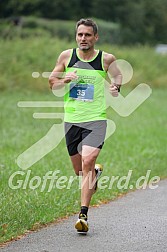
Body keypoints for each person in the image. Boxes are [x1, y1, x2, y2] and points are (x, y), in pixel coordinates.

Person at [49, 18, 122, 234]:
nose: (83, 38)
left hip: (96, 119)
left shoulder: (106, 59)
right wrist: (64, 79)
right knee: (81, 171)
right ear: (76, 36)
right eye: (80, 35)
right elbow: (52, 81)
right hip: (72, 120)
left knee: (88, 160)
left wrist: (116, 86)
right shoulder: (66, 56)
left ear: (95, 37)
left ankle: (83, 215)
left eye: (88, 35)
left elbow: (117, 74)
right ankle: (94, 177)